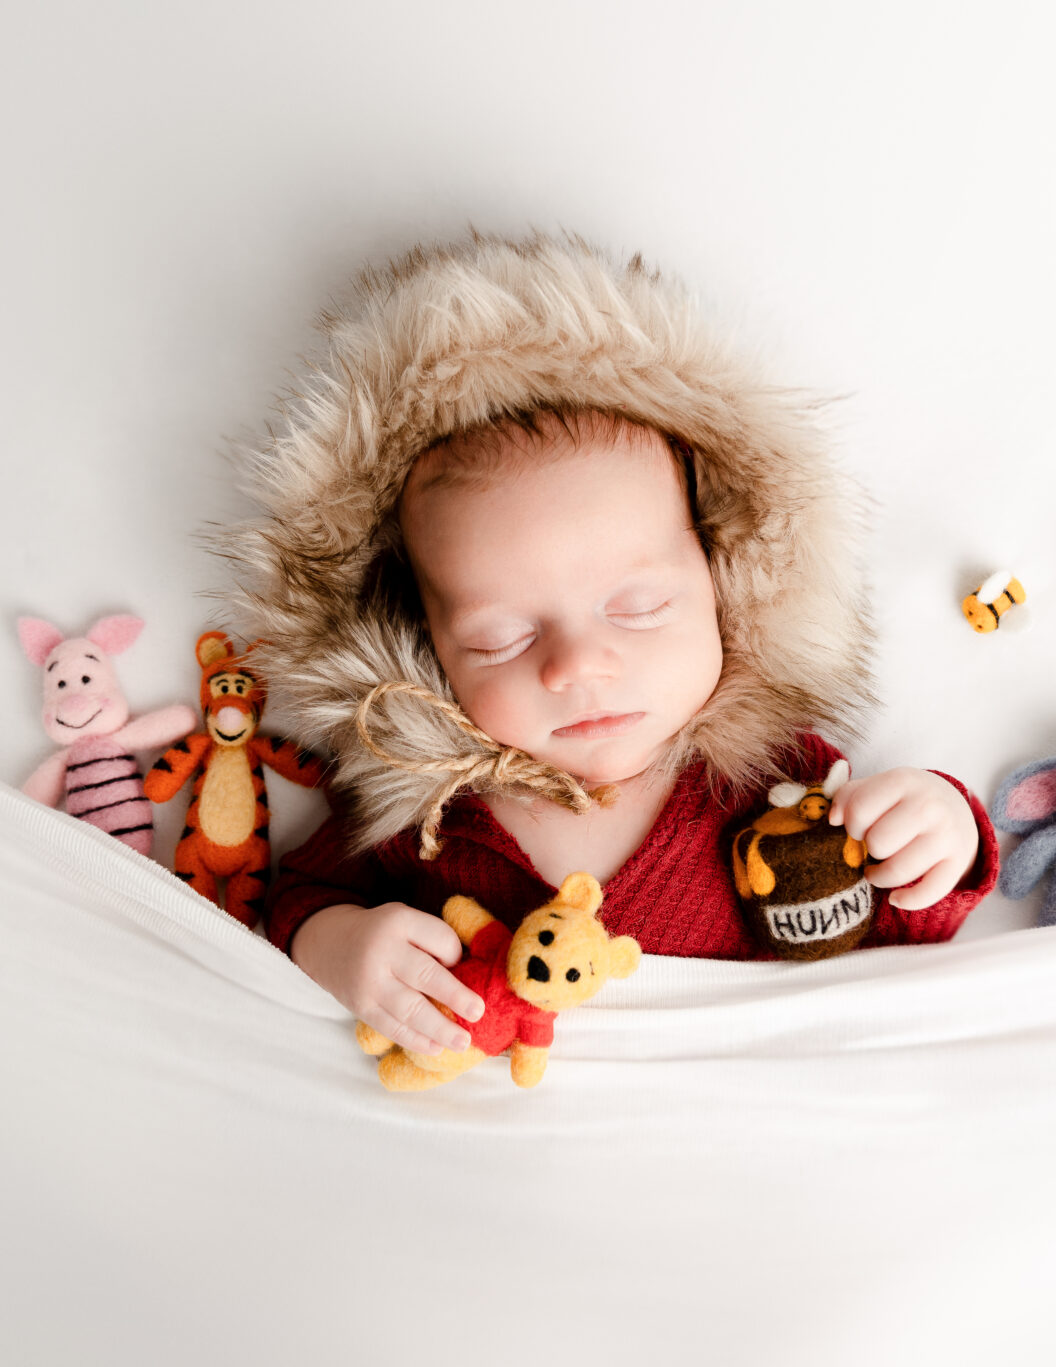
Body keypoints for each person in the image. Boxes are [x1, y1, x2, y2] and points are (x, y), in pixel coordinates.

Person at [217, 232, 999, 1059]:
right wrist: (341, 944)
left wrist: (940, 832)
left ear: (726, 585)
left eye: (639, 606)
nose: (576, 665)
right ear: (422, 645)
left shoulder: (776, 781)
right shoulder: (418, 808)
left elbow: (892, 940)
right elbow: (301, 893)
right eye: (500, 636)